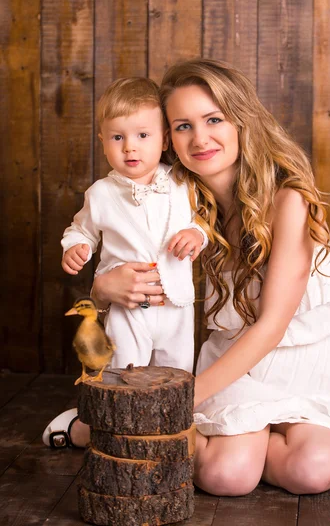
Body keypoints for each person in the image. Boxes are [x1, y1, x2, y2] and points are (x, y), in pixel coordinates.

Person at [47, 59, 330, 498]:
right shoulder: (177, 203)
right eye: (182, 126)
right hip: (236, 367)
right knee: (226, 477)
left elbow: (271, 326)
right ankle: (104, 424)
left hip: (305, 366)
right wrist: (102, 288)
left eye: (213, 119)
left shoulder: (287, 200)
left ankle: (116, 424)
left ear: (240, 121)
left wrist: (176, 401)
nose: (200, 138)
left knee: (312, 469)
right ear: (165, 140)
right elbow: (136, 278)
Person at [42, 77, 207, 449]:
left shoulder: (183, 182)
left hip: (176, 305)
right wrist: (76, 247)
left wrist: (197, 235)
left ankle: (168, 435)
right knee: (122, 375)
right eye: (117, 138)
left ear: (164, 139)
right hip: (127, 307)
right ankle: (113, 432)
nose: (130, 147)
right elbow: (80, 229)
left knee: (178, 373)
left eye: (143, 136)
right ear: (102, 142)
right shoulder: (100, 194)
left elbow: (202, 222)